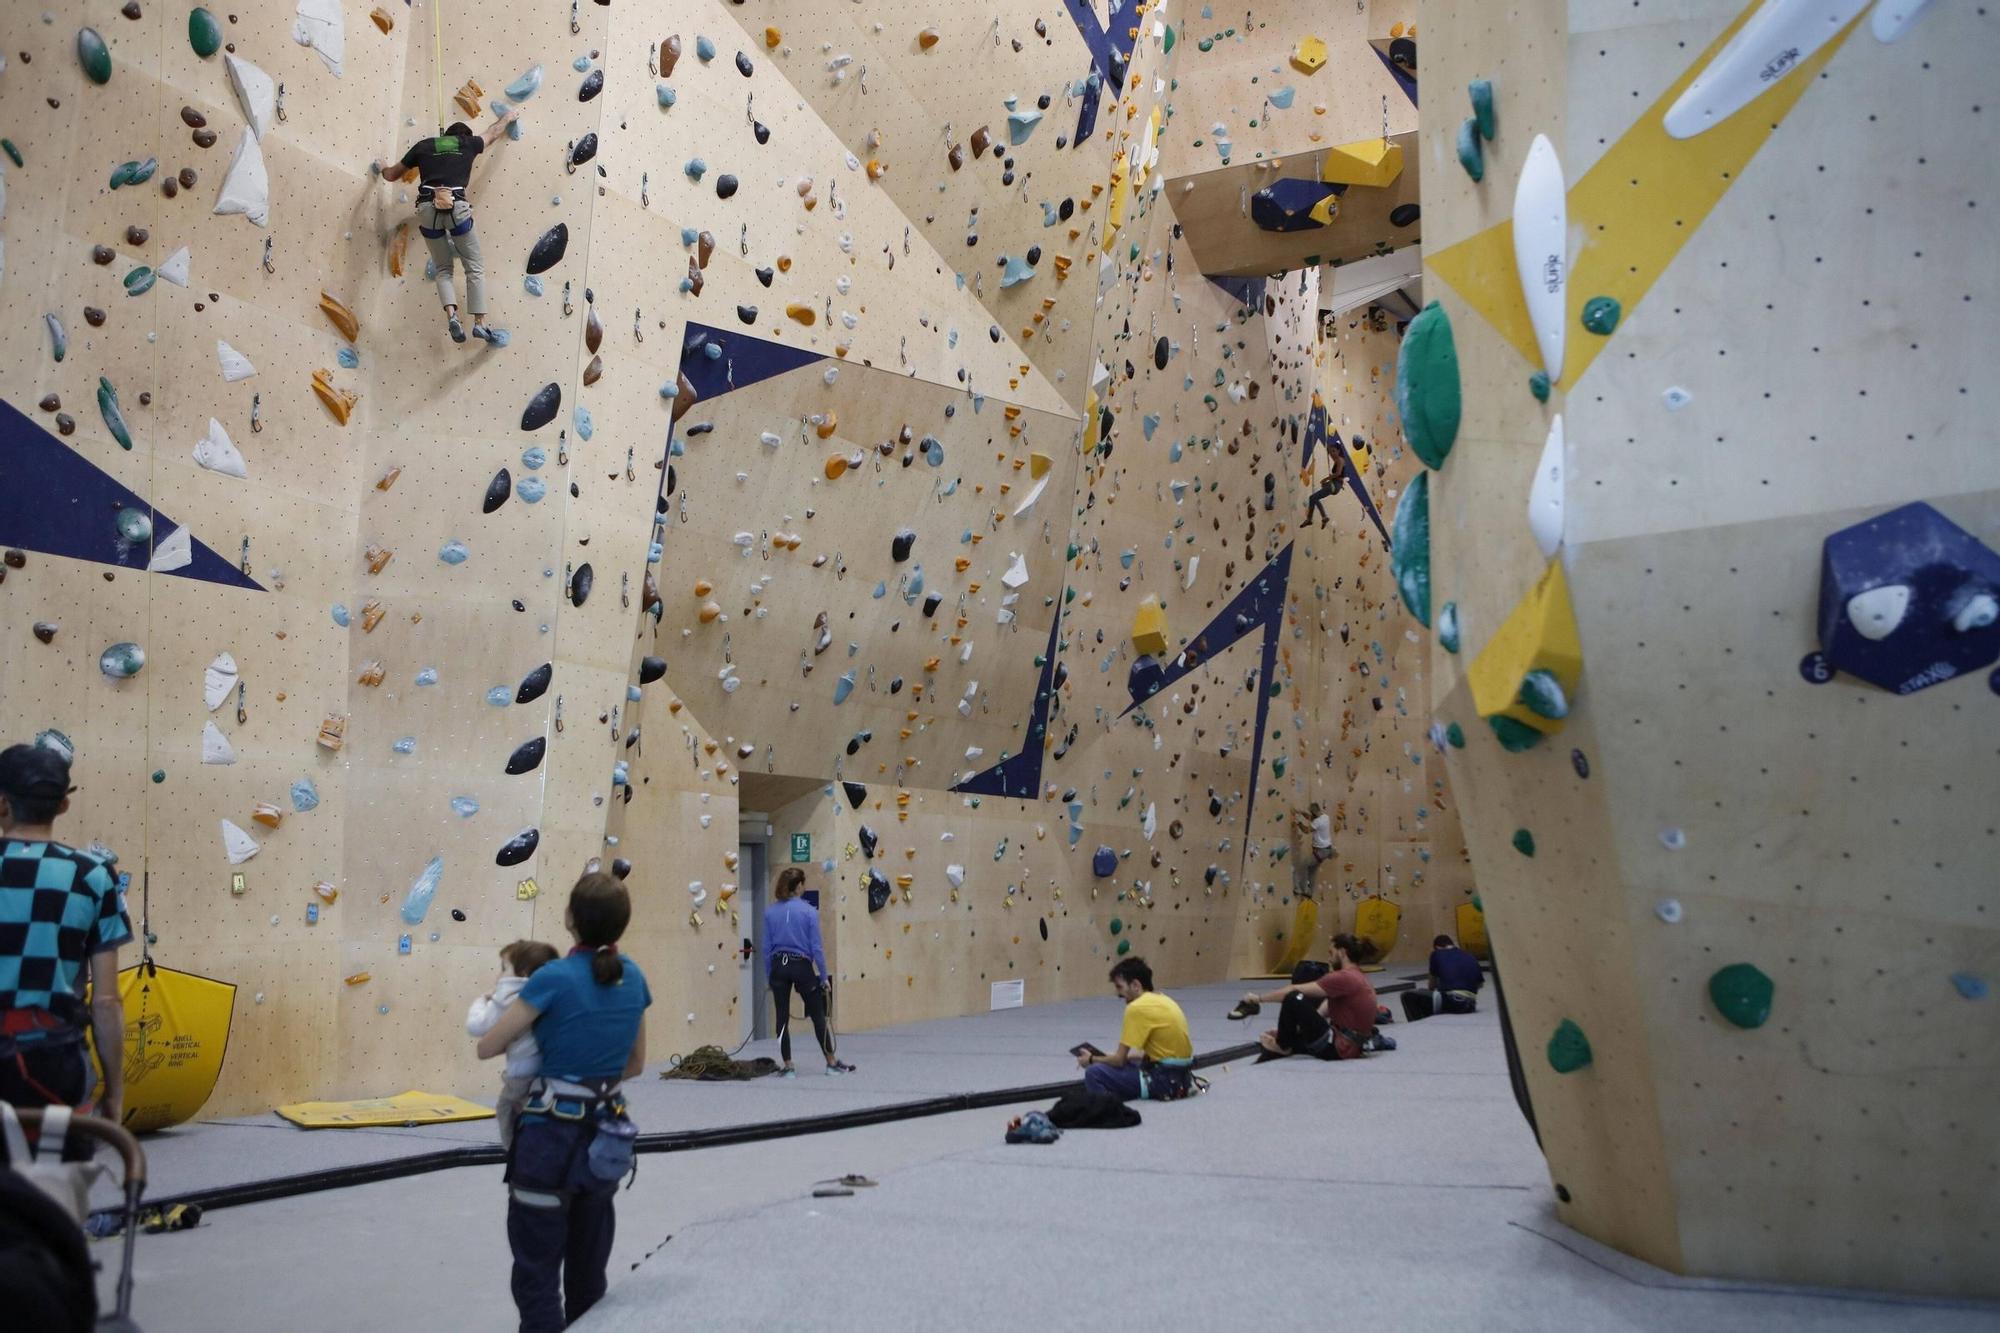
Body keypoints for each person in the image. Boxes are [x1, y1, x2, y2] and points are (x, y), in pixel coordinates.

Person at [475, 873, 649, 1333]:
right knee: (589, 1281)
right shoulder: (633, 978)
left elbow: (488, 1046)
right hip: (604, 1140)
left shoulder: (552, 977)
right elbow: (634, 1064)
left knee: (537, 1279)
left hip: (548, 1144)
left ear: (569, 918)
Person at [0, 744, 130, 1141]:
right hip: (55, 1061)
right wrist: (115, 1092)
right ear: (63, 806)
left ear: (2, 804)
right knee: (59, 1186)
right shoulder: (93, 876)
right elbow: (107, 1001)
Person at [376, 110, 518, 344]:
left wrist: (382, 166)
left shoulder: (424, 146)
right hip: (457, 210)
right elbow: (493, 132)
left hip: (427, 212)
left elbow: (391, 175)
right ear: (464, 135)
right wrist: (508, 117)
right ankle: (480, 323)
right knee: (474, 266)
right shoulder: (468, 143)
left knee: (443, 269)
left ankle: (453, 317)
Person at [466, 940, 559, 1150]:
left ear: (523, 971)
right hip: (547, 1074)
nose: (499, 975)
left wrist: (482, 1001)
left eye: (503, 968)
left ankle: (514, 1154)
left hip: (520, 1075)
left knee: (506, 1110)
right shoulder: (554, 993)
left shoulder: (508, 997)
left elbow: (477, 1027)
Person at [763, 867, 852, 1076]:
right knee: (818, 1017)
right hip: (801, 966)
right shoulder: (809, 911)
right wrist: (823, 976)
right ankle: (830, 1062)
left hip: (778, 966)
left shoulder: (769, 912)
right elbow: (817, 949)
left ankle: (788, 1066)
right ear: (799, 886)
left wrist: (770, 976)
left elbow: (766, 948)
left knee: (781, 1019)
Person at [1241, 934, 1382, 1061]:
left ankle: (1283, 1045)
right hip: (1352, 1046)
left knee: (1294, 997)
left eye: (1331, 953)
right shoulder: (1361, 976)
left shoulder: (1344, 977)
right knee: (1307, 1003)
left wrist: (1258, 998)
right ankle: (1288, 1039)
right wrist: (1297, 1029)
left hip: (1339, 1048)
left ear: (1342, 952)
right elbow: (1325, 1007)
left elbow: (1293, 989)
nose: (1329, 959)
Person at [1075, 956, 1196, 1102]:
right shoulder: (1164, 999)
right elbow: (1142, 1054)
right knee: (1124, 1063)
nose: (1119, 994)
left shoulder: (1136, 1008)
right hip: (1181, 1078)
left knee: (1094, 1073)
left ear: (1135, 985)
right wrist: (1106, 1057)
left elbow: (1119, 1060)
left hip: (1161, 1080)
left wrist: (1092, 1059)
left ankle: (1107, 1107)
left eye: (1120, 987)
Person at [1403, 934, 1485, 1022]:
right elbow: (1480, 984)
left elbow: (1431, 986)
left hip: (1451, 1001)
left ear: (1437, 947)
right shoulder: (1469, 955)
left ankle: (1418, 1024)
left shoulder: (1436, 954)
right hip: (1470, 1004)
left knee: (1408, 996)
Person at [1292, 802, 1333, 893]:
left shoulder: (1317, 822)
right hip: (1325, 850)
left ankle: (1300, 889)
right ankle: (1309, 893)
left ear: (1314, 813)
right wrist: (1301, 812)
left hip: (1321, 851)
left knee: (1303, 865)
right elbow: (1310, 817)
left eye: (1311, 813)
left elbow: (1306, 830)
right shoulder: (1325, 817)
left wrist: (1298, 822)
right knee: (1312, 870)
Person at [1305, 445, 1347, 529]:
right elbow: (1338, 476)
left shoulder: (1340, 460)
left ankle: (1315, 518)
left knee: (1313, 498)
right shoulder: (1338, 460)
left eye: (1334, 451)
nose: (1332, 453)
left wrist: (1325, 479)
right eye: (1330, 452)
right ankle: (1322, 518)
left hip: (1336, 485)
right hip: (1335, 485)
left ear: (1339, 451)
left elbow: (1338, 474)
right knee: (1313, 498)